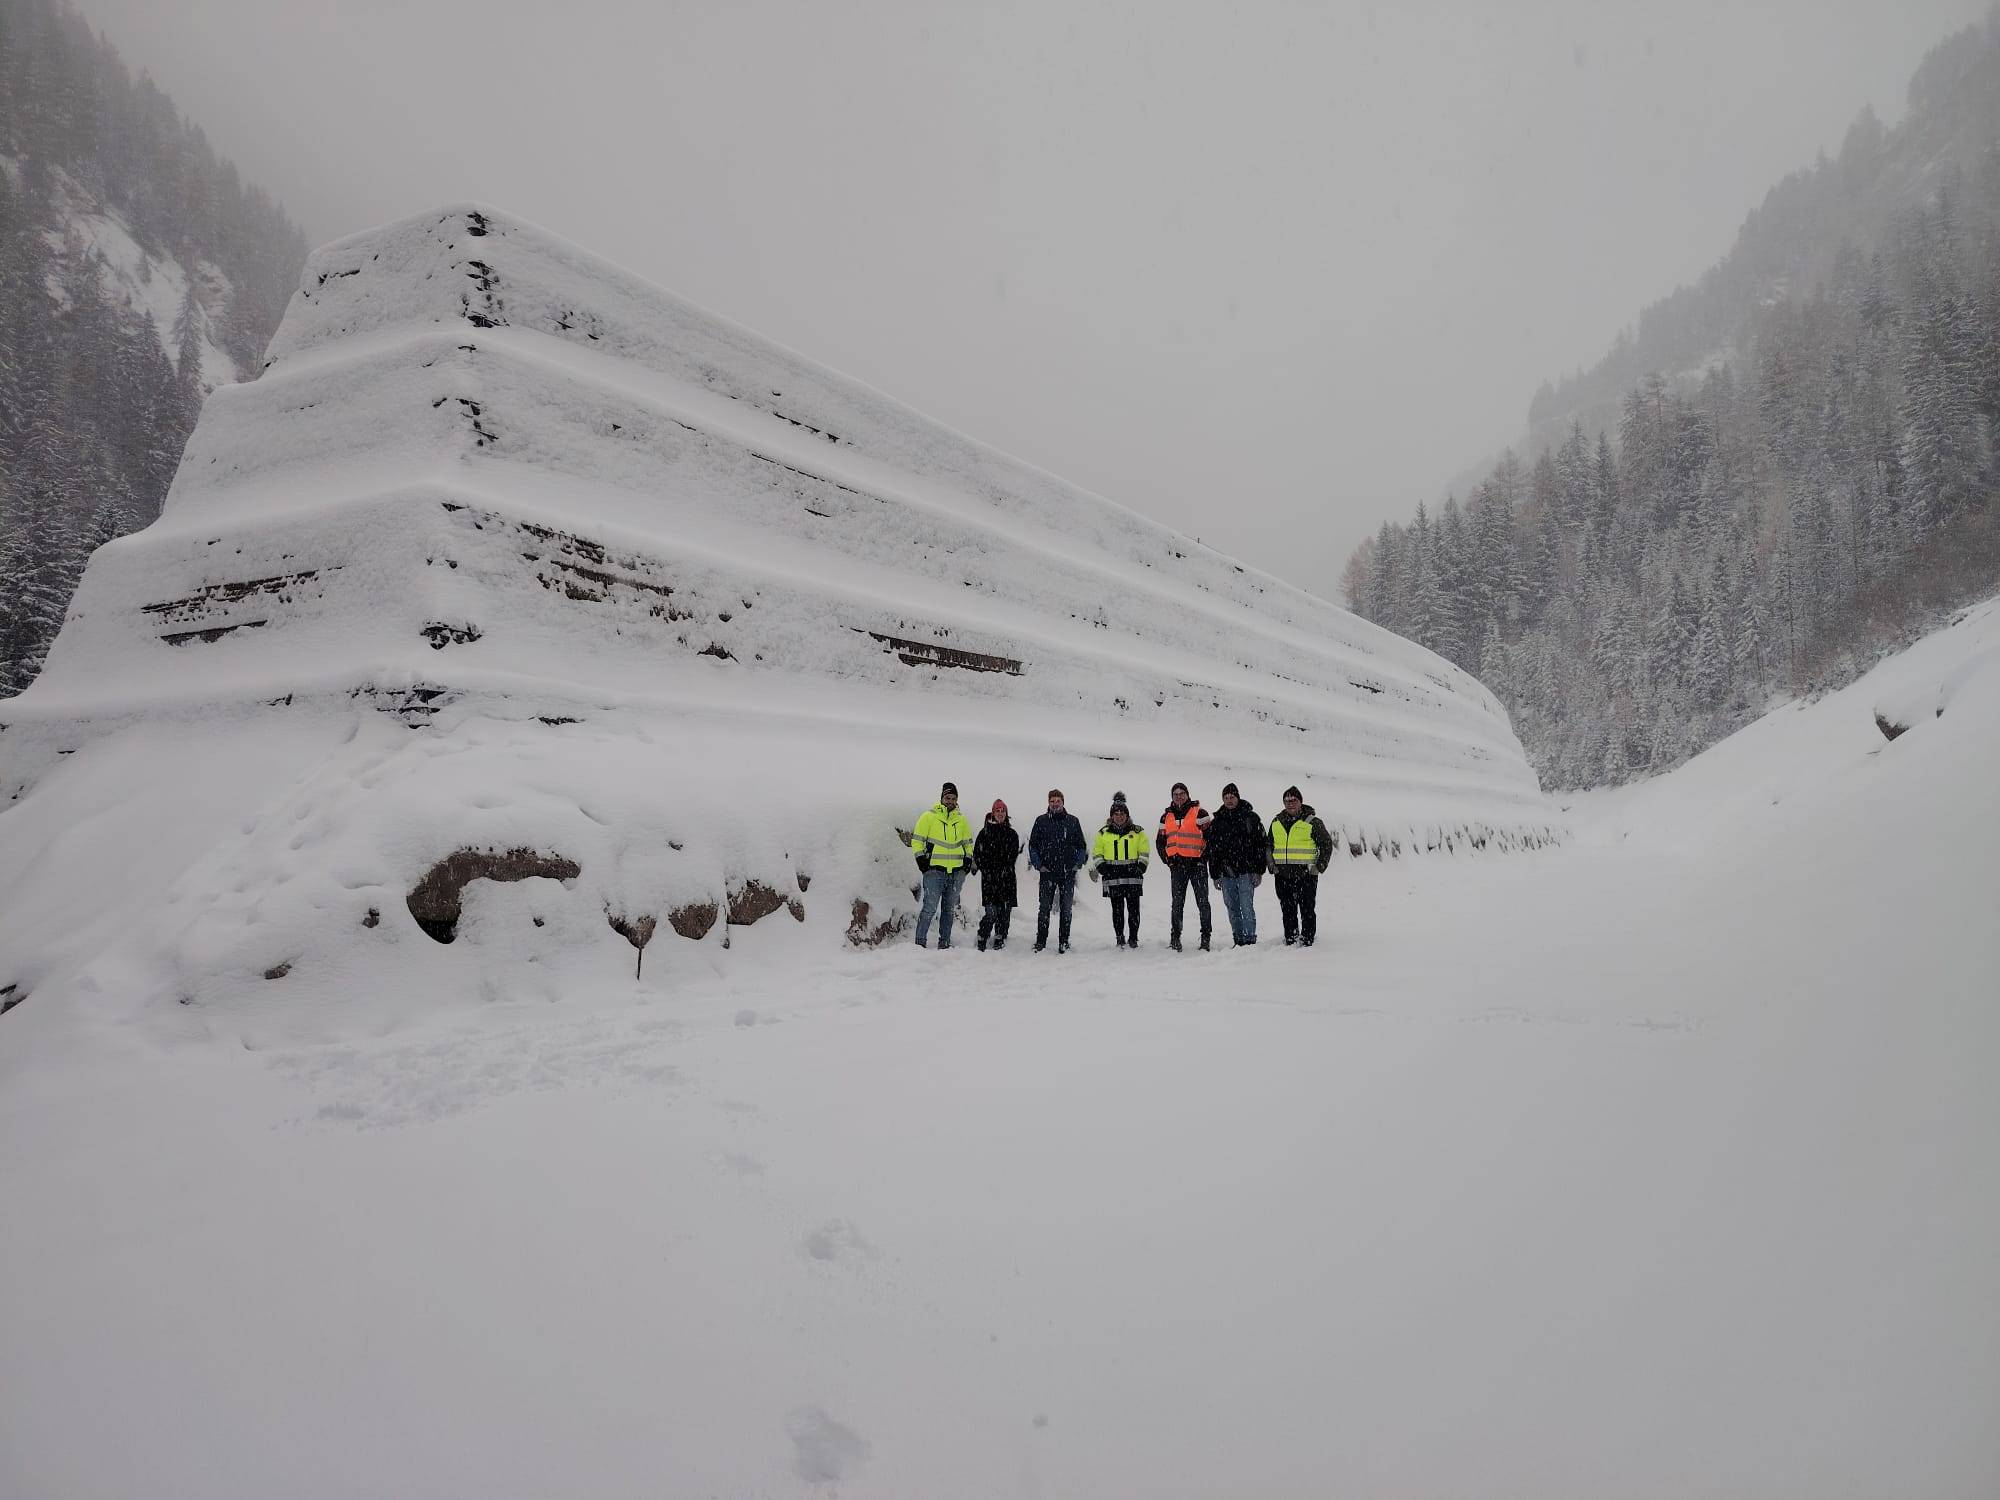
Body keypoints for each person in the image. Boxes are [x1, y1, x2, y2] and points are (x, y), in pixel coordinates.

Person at [1266, 784, 1334, 946]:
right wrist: (1272, 865)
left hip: (1306, 875)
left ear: (1300, 802)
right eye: (1287, 800)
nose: (1290, 803)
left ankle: (1307, 938)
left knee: (1307, 909)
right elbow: (1269, 845)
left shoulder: (1312, 822)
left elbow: (1326, 844)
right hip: (1282, 875)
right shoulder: (1276, 822)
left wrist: (1319, 866)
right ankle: (1291, 937)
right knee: (1287, 909)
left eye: (1293, 800)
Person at [911, 781, 973, 949]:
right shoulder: (929, 817)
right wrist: (921, 861)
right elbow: (917, 841)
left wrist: (967, 862)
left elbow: (968, 843)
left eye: (953, 798)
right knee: (929, 908)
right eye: (947, 797)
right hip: (934, 873)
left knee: (948, 910)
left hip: (955, 874)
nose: (950, 801)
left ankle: (944, 943)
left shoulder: (962, 819)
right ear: (942, 798)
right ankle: (919, 943)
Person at [1027, 788, 1088, 952]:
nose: (1055, 804)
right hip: (1047, 873)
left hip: (1067, 873)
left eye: (1057, 801)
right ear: (1048, 803)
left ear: (1063, 802)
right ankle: (1041, 941)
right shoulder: (1041, 821)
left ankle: (1064, 941)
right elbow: (1033, 845)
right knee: (1044, 908)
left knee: (1066, 909)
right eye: (1052, 801)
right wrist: (1038, 864)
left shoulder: (1073, 821)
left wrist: (1078, 863)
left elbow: (1081, 845)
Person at [1205, 782, 1265, 946]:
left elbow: (1260, 844)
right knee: (1232, 909)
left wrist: (1259, 870)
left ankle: (1250, 940)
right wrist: (1215, 875)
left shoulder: (1251, 818)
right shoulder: (1217, 822)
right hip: (1226, 874)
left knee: (1246, 908)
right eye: (1226, 797)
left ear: (1238, 797)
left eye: (1232, 797)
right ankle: (1238, 939)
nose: (1229, 800)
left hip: (1246, 872)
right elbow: (1213, 851)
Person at [1156, 781, 1213, 951]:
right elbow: (1160, 842)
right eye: (1175, 794)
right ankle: (1175, 936)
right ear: (1172, 797)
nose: (1179, 796)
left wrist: (1203, 859)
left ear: (1187, 794)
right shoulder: (1166, 817)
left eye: (1182, 793)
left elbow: (1211, 839)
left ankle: (1205, 937)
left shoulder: (1200, 813)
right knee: (1177, 903)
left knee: (1203, 903)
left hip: (1197, 866)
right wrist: (1168, 860)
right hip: (1177, 866)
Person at [1089, 791, 1150, 949]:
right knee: (1117, 910)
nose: (1119, 816)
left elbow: (1144, 851)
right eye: (1116, 813)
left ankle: (1133, 938)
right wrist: (1103, 868)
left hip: (1132, 877)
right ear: (1112, 816)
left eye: (1122, 813)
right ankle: (1119, 937)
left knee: (1133, 909)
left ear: (1127, 815)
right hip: (1112, 877)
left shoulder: (1137, 831)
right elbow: (1097, 853)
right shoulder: (1103, 833)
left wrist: (1140, 868)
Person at [973, 800, 1020, 951]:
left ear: (1006, 814)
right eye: (997, 810)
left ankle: (1000, 936)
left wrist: (1004, 869)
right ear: (993, 813)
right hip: (989, 879)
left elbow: (1012, 856)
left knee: (1005, 911)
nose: (1000, 813)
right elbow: (978, 855)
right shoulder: (984, 832)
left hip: (1007, 878)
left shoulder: (1012, 834)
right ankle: (983, 935)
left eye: (1003, 811)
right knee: (991, 912)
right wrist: (987, 870)